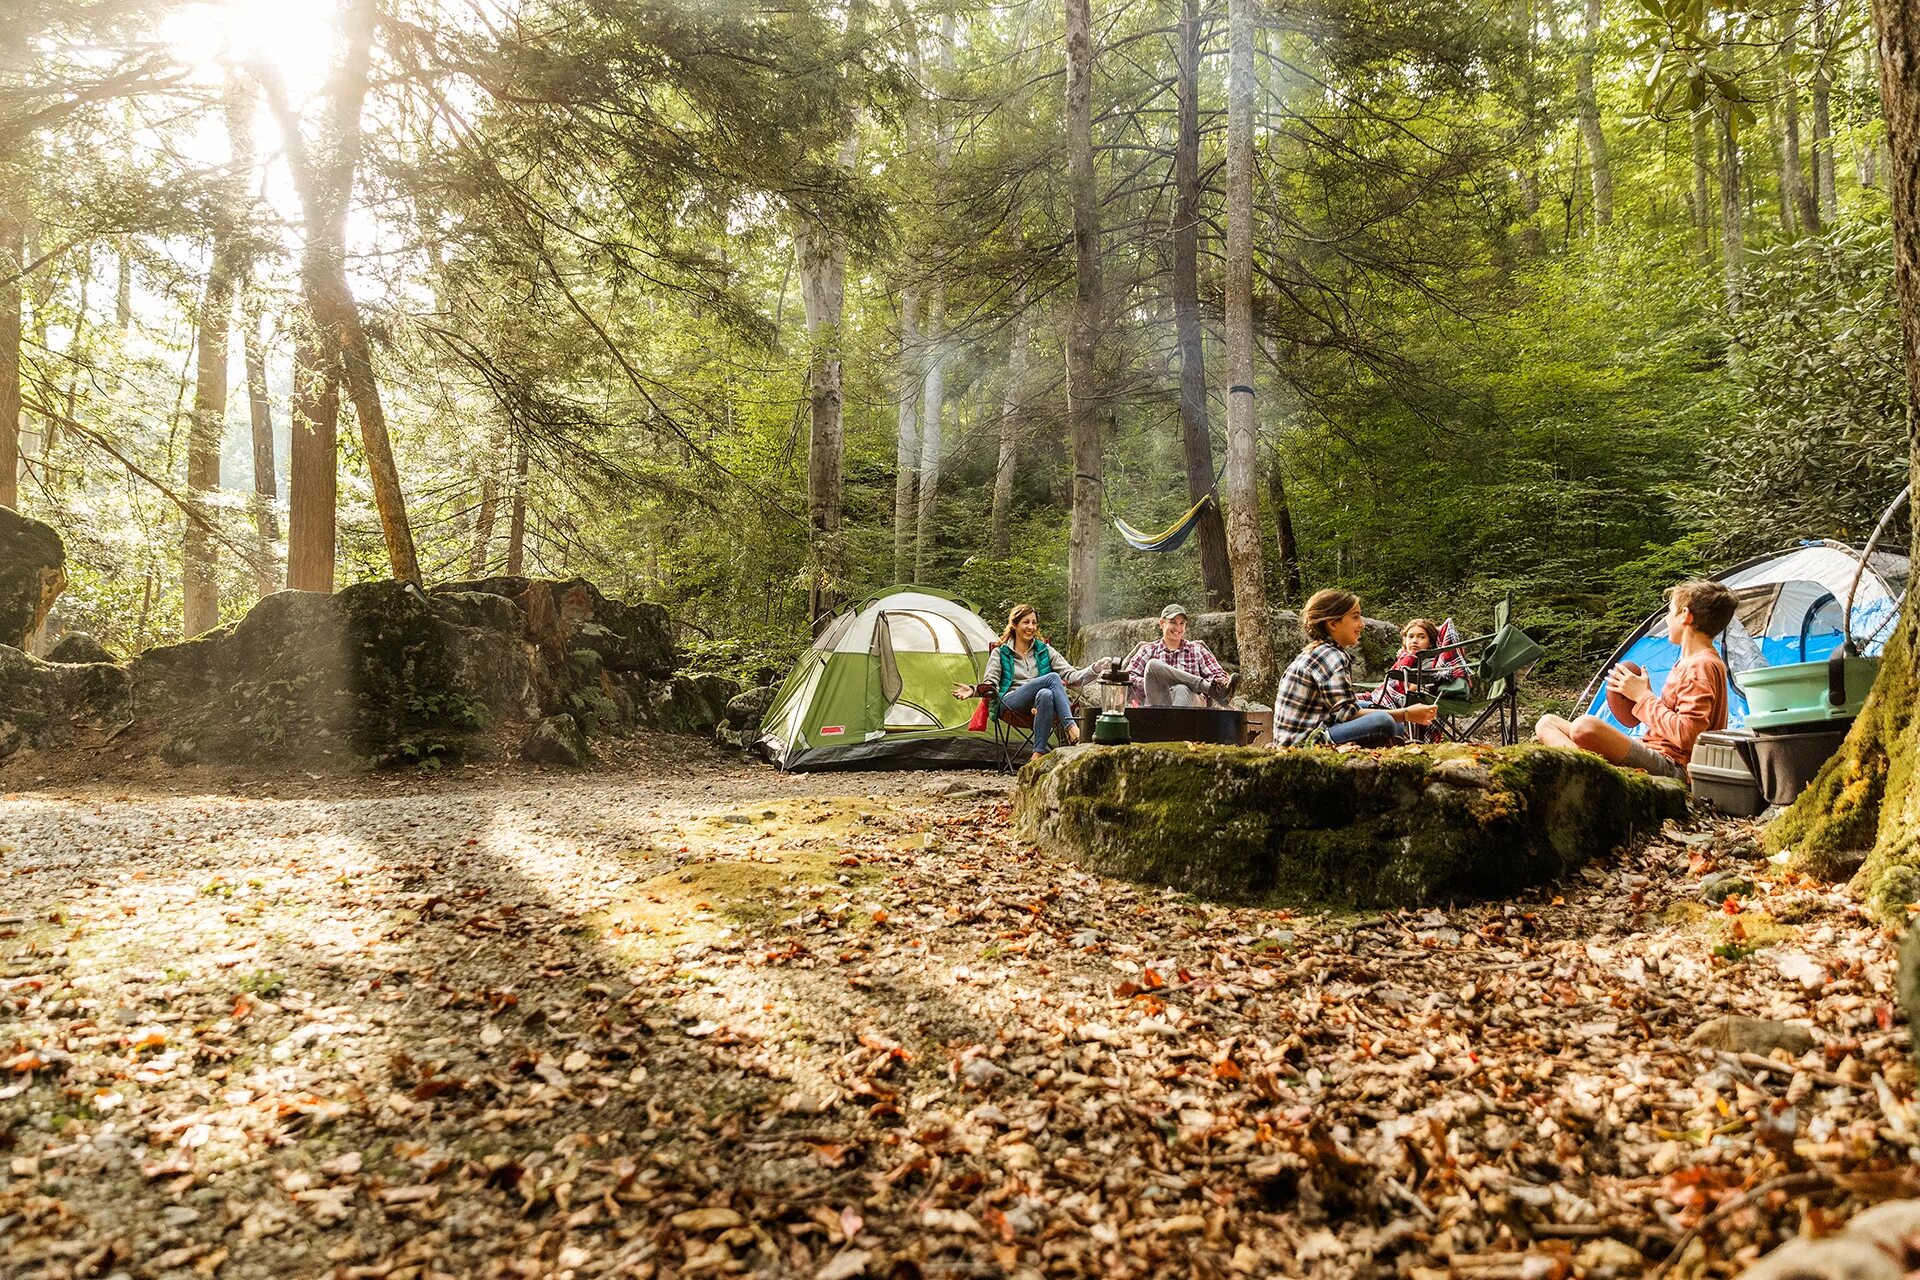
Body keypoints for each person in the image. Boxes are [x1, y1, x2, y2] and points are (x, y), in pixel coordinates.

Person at [1535, 579, 1737, 780]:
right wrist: (1648, 699)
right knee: (1547, 723)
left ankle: (1591, 774)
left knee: (1584, 727)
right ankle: (1586, 769)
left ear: (1685, 615)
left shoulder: (1700, 665)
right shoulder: (1695, 661)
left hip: (1674, 765)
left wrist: (1643, 697)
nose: (1667, 620)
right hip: (1653, 749)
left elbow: (1688, 737)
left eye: (1669, 611)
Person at [1271, 589, 1439, 747]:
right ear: (1333, 624)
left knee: (1384, 715)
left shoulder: (1323, 650)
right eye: (1355, 617)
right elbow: (1346, 714)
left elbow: (1339, 708)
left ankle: (1388, 750)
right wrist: (1407, 713)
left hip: (1313, 728)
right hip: (1304, 741)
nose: (1362, 624)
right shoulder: (1331, 656)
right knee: (1384, 721)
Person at [951, 604, 1100, 759]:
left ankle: (1037, 755)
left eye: (1034, 623)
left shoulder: (1044, 650)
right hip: (1010, 702)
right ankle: (1071, 727)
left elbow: (1072, 676)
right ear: (1014, 625)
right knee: (1053, 678)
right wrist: (974, 690)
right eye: (1026, 622)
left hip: (1038, 704)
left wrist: (1094, 669)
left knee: (1046, 694)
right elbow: (991, 684)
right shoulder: (1000, 652)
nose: (1031, 627)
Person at [1358, 617, 1456, 743]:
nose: (1415, 641)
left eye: (1421, 637)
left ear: (1430, 643)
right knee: (1350, 702)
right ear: (1405, 640)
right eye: (1410, 637)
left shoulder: (1429, 662)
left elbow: (1411, 691)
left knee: (1353, 708)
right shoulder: (1406, 659)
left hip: (1406, 704)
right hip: (1385, 700)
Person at [1122, 604, 1237, 707]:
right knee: (1152, 665)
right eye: (1173, 622)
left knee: (1181, 689)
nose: (1178, 627)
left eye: (1182, 623)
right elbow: (1127, 677)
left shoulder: (1197, 650)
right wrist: (1151, 682)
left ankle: (1177, 728)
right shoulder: (1147, 650)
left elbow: (1219, 676)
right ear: (1162, 623)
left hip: (1192, 703)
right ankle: (1211, 690)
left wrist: (1188, 684)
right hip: (1158, 704)